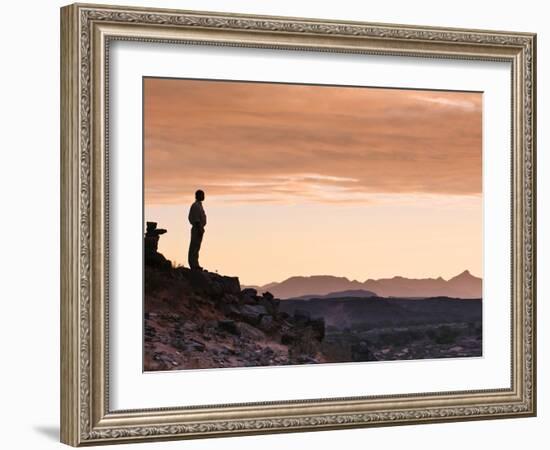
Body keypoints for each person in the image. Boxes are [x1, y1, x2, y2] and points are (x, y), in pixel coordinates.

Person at [188, 189, 207, 270]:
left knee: (197, 247)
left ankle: (195, 264)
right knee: (194, 247)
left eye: (203, 195)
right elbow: (196, 219)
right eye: (202, 195)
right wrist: (199, 229)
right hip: (197, 228)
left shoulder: (199, 205)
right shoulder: (195, 205)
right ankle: (193, 264)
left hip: (199, 228)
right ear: (197, 196)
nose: (203, 196)